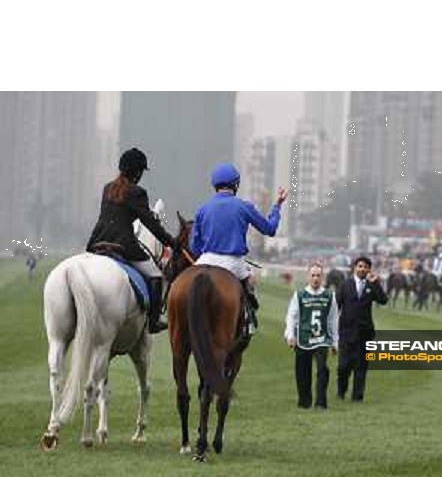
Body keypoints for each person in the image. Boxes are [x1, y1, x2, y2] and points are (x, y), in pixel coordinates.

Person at [86, 147, 178, 334]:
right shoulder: (137, 192)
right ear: (137, 172)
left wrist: (90, 246)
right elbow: (150, 224)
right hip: (124, 246)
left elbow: (103, 219)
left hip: (98, 242)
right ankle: (153, 321)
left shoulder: (107, 188)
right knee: (156, 276)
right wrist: (170, 242)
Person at [189, 162, 288, 327]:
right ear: (236, 184)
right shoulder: (244, 206)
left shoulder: (202, 209)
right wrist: (277, 205)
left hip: (205, 259)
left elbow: (194, 246)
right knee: (251, 282)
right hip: (234, 263)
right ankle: (248, 323)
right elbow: (270, 229)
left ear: (215, 185)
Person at [284, 263, 339, 409]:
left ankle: (321, 402)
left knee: (323, 370)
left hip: (322, 339)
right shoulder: (300, 295)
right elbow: (291, 316)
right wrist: (290, 335)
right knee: (303, 372)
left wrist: (335, 342)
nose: (315, 278)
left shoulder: (329, 295)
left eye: (318, 275)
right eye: (313, 275)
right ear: (308, 277)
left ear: (323, 277)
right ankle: (305, 401)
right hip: (303, 338)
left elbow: (333, 320)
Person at [336, 255, 388, 402]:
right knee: (343, 367)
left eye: (365, 267)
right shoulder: (345, 285)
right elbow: (336, 306)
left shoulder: (372, 286)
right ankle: (341, 392)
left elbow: (383, 300)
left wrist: (376, 283)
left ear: (369, 270)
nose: (362, 269)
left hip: (365, 334)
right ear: (355, 268)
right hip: (346, 333)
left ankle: (357, 397)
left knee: (361, 368)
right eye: (360, 266)